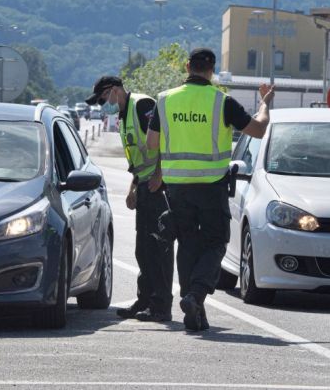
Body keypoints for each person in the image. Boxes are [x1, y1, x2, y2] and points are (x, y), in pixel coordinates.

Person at [146, 48, 274, 331]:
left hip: (177, 187)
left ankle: (193, 304)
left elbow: (152, 144)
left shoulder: (165, 100)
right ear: (212, 69)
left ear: (187, 66)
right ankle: (195, 295)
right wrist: (265, 103)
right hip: (211, 187)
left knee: (187, 244)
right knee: (215, 243)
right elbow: (258, 129)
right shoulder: (222, 101)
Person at [85, 76, 174, 322]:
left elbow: (166, 142)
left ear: (114, 90)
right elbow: (138, 157)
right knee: (143, 250)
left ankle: (161, 306)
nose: (103, 105)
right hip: (145, 185)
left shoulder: (142, 105)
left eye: (103, 99)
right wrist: (133, 188)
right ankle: (145, 299)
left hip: (159, 186)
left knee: (159, 248)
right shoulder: (124, 115)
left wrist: (159, 174)